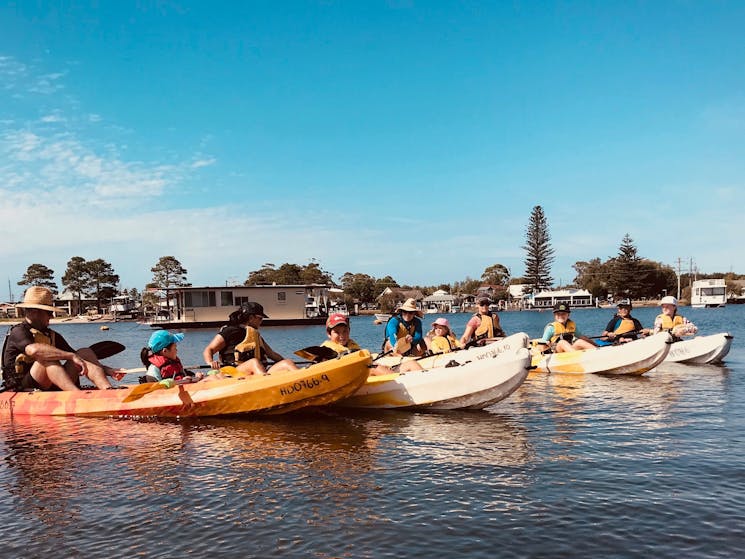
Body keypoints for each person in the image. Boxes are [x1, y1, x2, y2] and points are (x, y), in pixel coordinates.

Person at [1, 286, 124, 391]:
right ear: (34, 312)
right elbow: (33, 350)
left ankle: (107, 390)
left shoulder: (51, 335)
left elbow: (79, 359)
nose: (51, 317)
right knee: (47, 357)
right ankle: (77, 396)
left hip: (51, 383)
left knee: (84, 352)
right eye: (49, 313)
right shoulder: (18, 332)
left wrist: (108, 370)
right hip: (24, 387)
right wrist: (70, 356)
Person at [202, 302, 297, 375]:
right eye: (260, 318)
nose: (261, 322)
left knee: (287, 363)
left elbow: (272, 354)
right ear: (251, 317)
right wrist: (210, 362)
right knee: (253, 362)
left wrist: (283, 361)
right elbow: (209, 349)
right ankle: (264, 385)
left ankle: (303, 380)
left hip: (259, 373)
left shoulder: (255, 335)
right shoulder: (230, 331)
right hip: (235, 373)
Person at [320, 313, 420, 374]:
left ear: (349, 331)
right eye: (337, 332)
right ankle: (399, 383)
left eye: (345, 331)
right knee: (374, 368)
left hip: (364, 373)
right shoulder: (326, 350)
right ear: (329, 334)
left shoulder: (351, 344)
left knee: (411, 363)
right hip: (352, 377)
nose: (342, 335)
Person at [139, 330, 206, 383]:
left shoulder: (174, 362)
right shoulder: (153, 371)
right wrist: (181, 382)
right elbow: (158, 392)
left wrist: (195, 377)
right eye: (175, 348)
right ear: (165, 351)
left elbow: (184, 376)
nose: (177, 350)